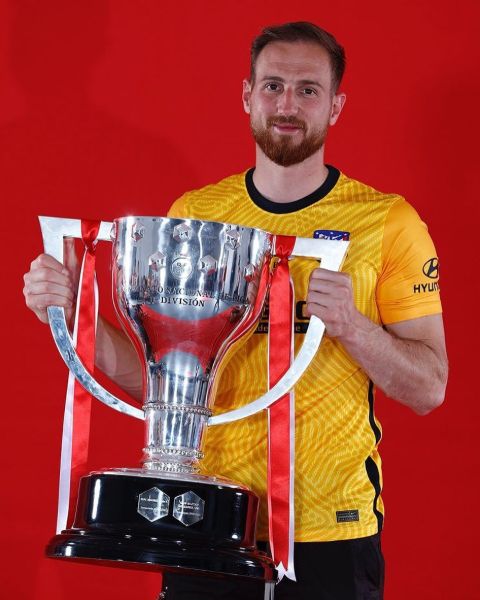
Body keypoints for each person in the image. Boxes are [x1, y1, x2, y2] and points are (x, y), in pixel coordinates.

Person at [23, 21, 448, 600]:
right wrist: (77, 309)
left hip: (330, 529)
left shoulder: (388, 223)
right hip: (208, 517)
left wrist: (352, 324)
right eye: (272, 86)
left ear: (336, 106)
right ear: (247, 96)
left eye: (308, 90)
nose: (288, 104)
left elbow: (428, 387)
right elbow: (158, 378)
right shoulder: (197, 215)